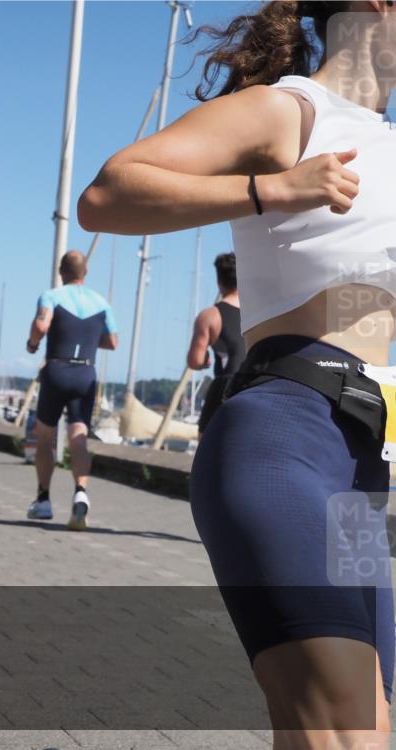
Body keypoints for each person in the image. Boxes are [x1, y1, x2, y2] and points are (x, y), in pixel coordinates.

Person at [78, 1, 395, 745]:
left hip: (367, 467)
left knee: (352, 727)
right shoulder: (292, 112)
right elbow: (107, 194)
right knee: (349, 729)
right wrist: (271, 189)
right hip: (288, 436)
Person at [24, 250, 118, 530]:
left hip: (57, 370)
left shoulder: (51, 296)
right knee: (79, 438)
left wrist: (32, 343)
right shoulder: (102, 302)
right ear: (85, 273)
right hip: (85, 373)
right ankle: (81, 493)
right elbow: (113, 342)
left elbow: (41, 325)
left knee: (45, 437)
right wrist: (87, 340)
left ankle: (43, 500)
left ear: (60, 271)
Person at [187, 253, 244, 435]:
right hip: (256, 387)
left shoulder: (210, 316)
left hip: (225, 387)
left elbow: (195, 361)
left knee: (207, 447)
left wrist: (205, 361)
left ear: (219, 282)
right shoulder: (259, 314)